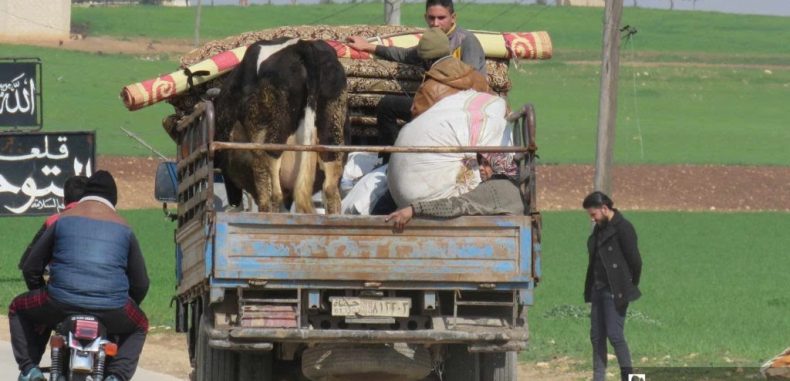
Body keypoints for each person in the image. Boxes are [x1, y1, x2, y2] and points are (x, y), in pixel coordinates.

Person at [10, 170, 150, 381]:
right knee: (140, 324)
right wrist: (123, 303)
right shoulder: (124, 229)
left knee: (17, 307)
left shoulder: (62, 220)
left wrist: (42, 295)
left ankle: (30, 370)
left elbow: (31, 267)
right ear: (114, 199)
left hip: (59, 302)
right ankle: (117, 376)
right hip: (112, 308)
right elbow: (141, 283)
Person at [346, 0, 488, 147]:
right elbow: (406, 55)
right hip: (434, 101)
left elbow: (472, 82)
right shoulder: (430, 41)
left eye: (441, 18)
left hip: (459, 107)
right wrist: (368, 46)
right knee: (387, 105)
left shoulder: (466, 41)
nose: (435, 23)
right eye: (431, 18)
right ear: (425, 17)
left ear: (453, 18)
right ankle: (390, 160)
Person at [582, 191, 642, 381]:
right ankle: (598, 378)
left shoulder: (624, 228)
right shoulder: (599, 230)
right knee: (596, 337)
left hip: (616, 291)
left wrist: (628, 286)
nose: (593, 219)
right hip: (598, 289)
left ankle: (630, 377)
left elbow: (636, 262)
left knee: (615, 336)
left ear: (605, 209)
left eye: (594, 215)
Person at [385, 153, 520, 232]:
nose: (480, 168)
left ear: (499, 163)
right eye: (480, 163)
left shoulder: (493, 188)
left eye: (486, 164)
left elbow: (456, 205)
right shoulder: (513, 187)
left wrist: (413, 210)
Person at [18, 175, 89, 270]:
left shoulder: (53, 221)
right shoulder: (104, 222)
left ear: (63, 201)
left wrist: (23, 263)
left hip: (60, 279)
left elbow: (31, 255)